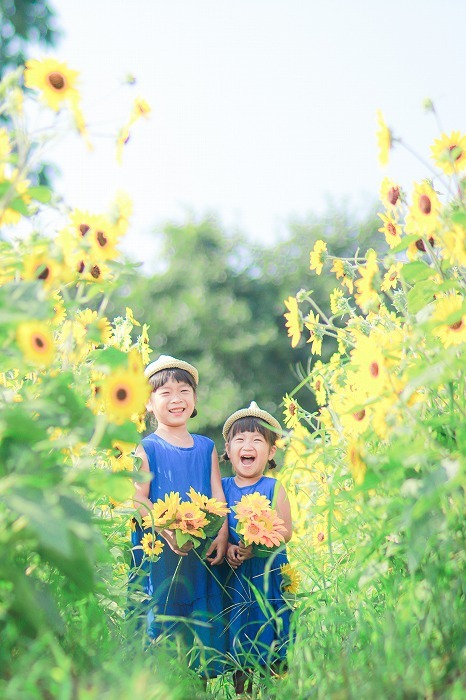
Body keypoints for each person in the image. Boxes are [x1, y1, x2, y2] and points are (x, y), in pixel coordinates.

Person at [129, 354, 228, 677]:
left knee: (199, 624)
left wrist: (223, 534)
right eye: (165, 392)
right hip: (160, 554)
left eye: (184, 391)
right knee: (162, 619)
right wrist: (164, 528)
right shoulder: (147, 449)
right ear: (148, 403)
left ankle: (197, 684)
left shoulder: (205, 447)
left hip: (198, 553)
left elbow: (217, 496)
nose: (176, 399)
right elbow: (138, 500)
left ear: (195, 399)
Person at [221, 401, 293, 696]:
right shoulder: (222, 487)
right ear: (227, 449)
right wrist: (227, 547)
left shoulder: (274, 488)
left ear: (271, 451)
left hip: (268, 575)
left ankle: (274, 687)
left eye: (256, 440)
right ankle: (242, 691)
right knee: (240, 631)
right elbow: (218, 528)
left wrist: (258, 542)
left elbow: (286, 530)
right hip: (235, 580)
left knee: (270, 630)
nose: (247, 445)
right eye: (239, 439)